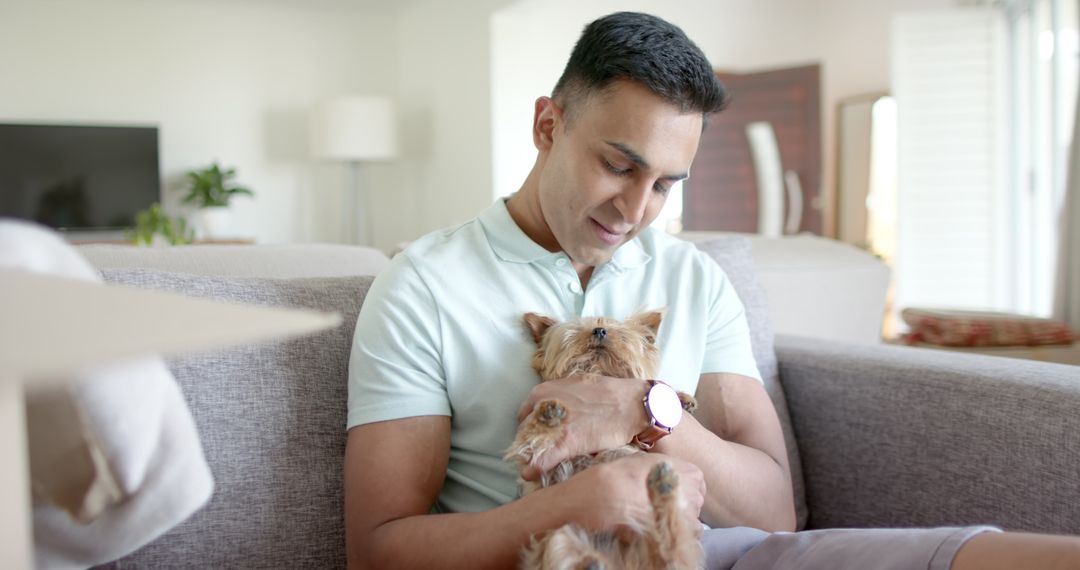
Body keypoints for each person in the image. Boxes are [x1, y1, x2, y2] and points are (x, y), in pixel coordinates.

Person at [343, 11, 1080, 569]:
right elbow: (378, 550)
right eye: (618, 165)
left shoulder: (695, 279)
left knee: (978, 557)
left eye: (666, 184)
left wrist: (647, 409)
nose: (636, 211)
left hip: (709, 554)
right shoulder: (424, 287)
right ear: (547, 125)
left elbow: (775, 514)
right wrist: (578, 502)